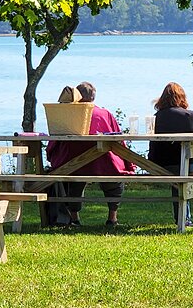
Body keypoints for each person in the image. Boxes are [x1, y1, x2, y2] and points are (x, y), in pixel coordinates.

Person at [46, 82, 134, 227]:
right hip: (104, 163)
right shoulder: (105, 114)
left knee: (71, 179)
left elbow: (55, 142)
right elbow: (118, 140)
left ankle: (74, 218)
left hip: (72, 164)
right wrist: (127, 162)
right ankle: (112, 218)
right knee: (115, 179)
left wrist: (51, 156)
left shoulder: (68, 114)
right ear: (93, 97)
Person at [147, 82, 193, 226]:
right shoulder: (192, 116)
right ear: (182, 98)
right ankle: (185, 219)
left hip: (161, 165)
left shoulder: (156, 118)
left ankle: (184, 218)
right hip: (189, 166)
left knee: (179, 177)